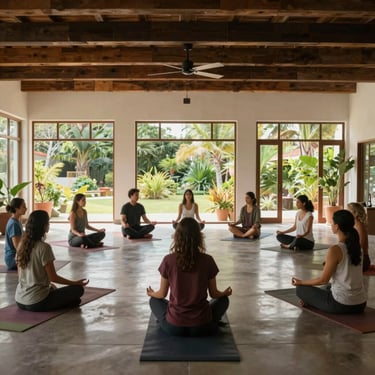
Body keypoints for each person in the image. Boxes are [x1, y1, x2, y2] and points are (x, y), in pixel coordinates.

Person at [147, 217, 232, 337]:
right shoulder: (208, 260)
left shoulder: (168, 260)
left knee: (154, 301)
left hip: (174, 326)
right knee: (223, 300)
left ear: (178, 237)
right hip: (202, 326)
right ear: (199, 237)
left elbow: (161, 294)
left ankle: (166, 320)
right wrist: (224, 293)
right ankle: (212, 323)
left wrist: (151, 294)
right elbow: (214, 294)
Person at [291, 209, 367, 314]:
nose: (331, 225)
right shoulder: (358, 247)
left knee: (301, 289)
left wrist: (301, 282)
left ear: (337, 226)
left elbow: (323, 280)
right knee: (328, 287)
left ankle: (310, 300)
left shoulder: (335, 249)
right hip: (360, 304)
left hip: (341, 305)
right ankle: (313, 300)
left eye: (332, 222)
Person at [15, 210, 89, 312]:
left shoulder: (21, 246)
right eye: (48, 222)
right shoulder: (44, 247)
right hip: (37, 302)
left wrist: (48, 286)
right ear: (44, 226)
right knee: (78, 290)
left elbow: (20, 276)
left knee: (55, 289)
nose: (49, 224)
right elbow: (53, 277)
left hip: (20, 300)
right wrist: (74, 283)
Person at [4, 198, 27, 270]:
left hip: (16, 256)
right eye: (23, 206)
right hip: (13, 259)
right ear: (16, 208)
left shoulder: (17, 221)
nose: (26, 208)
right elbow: (17, 247)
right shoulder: (14, 224)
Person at [348, 202, 371, 272]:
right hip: (357, 257)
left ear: (355, 213)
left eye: (349, 211)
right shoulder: (354, 224)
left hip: (362, 260)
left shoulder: (359, 225)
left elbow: (360, 244)